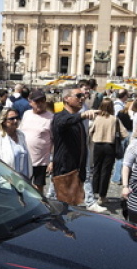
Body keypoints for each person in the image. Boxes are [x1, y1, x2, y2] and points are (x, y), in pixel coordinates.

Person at [51, 83, 102, 211]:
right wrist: (82, 115)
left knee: (71, 207)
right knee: (62, 208)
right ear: (66, 99)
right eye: (78, 96)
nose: (82, 98)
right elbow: (63, 123)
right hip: (64, 170)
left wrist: (83, 173)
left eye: (84, 95)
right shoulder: (60, 116)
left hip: (76, 171)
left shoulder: (77, 121)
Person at [89, 98, 124, 202]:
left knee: (96, 169)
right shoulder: (114, 119)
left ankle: (94, 191)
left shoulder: (97, 118)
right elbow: (124, 133)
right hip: (110, 146)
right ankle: (102, 195)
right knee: (106, 171)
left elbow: (91, 131)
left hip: (97, 145)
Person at [20, 89, 54, 192]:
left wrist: (52, 161)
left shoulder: (51, 118)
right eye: (37, 101)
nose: (40, 104)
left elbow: (55, 140)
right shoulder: (26, 114)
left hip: (41, 161)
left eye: (42, 101)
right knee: (22, 185)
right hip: (24, 158)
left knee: (38, 188)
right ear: (30, 102)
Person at [0, 106, 31, 178]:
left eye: (17, 118)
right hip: (6, 180)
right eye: (12, 119)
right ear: (4, 121)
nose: (15, 121)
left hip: (24, 181)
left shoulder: (21, 135)